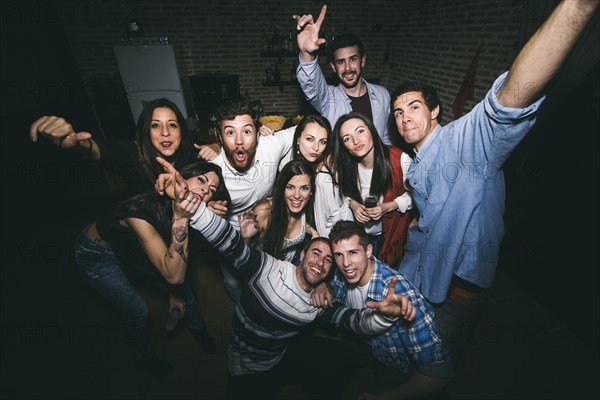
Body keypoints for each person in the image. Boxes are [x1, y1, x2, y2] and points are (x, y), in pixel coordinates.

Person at [389, 0, 599, 360]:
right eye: (397, 112)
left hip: (456, 293)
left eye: (414, 106)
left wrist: (576, 6)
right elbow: (428, 223)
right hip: (424, 282)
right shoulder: (418, 164)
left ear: (435, 110)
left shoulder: (464, 141)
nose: (404, 117)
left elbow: (509, 100)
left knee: (433, 367)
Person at [157, 157, 415, 399]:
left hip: (279, 358)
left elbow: (355, 322)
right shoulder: (267, 268)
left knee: (341, 359)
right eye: (316, 253)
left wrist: (385, 315)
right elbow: (228, 242)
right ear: (302, 254)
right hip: (242, 365)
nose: (320, 261)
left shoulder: (318, 304)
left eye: (328, 260)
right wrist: (190, 205)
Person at [73, 161, 230, 377]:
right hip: (97, 255)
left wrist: (202, 214)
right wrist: (182, 218)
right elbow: (173, 274)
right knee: (137, 311)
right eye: (202, 180)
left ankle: (200, 333)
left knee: (188, 293)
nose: (205, 189)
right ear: (183, 177)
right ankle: (144, 358)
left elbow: (169, 263)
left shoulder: (185, 205)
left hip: (138, 252)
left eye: (211, 190)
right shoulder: (139, 212)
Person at [160, 99, 296, 301]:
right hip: (232, 239)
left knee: (267, 279)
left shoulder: (271, 145)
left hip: (267, 231)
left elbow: (307, 128)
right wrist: (202, 202)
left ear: (258, 134)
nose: (239, 141)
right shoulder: (213, 169)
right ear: (220, 137)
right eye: (230, 132)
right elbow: (184, 190)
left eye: (247, 132)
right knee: (235, 284)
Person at [319, 220, 453, 399]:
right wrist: (323, 285)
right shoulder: (341, 273)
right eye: (338, 255)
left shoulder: (401, 296)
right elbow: (334, 289)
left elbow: (439, 373)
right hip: (361, 343)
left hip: (395, 364)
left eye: (352, 253)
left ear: (368, 251)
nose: (346, 264)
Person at [29, 98, 197, 200]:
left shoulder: (188, 155)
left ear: (181, 130)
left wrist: (213, 147)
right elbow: (108, 151)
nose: (166, 133)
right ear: (146, 131)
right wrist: (79, 144)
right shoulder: (132, 154)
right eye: (155, 125)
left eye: (172, 125)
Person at [293, 5, 394, 146]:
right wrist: (307, 54)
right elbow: (312, 85)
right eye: (341, 62)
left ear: (363, 60)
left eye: (353, 59)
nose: (348, 68)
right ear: (333, 67)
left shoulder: (382, 94)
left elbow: (387, 138)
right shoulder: (328, 99)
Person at [333, 111, 412, 268]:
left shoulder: (400, 159)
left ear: (372, 130)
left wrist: (389, 206)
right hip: (359, 237)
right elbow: (340, 191)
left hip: (389, 238)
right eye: (347, 139)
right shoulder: (346, 165)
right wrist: (353, 204)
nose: (356, 141)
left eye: (360, 131)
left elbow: (417, 195)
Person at [278, 114, 352, 237]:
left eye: (322, 142)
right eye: (310, 139)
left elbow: (338, 219)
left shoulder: (324, 177)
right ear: (297, 139)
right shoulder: (285, 161)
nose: (316, 148)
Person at [241, 159, 319, 264]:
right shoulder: (264, 212)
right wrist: (245, 239)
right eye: (290, 187)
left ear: (310, 192)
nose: (297, 195)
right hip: (261, 266)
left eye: (304, 188)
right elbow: (243, 257)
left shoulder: (302, 208)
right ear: (282, 188)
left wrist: (313, 232)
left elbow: (302, 223)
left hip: (291, 262)